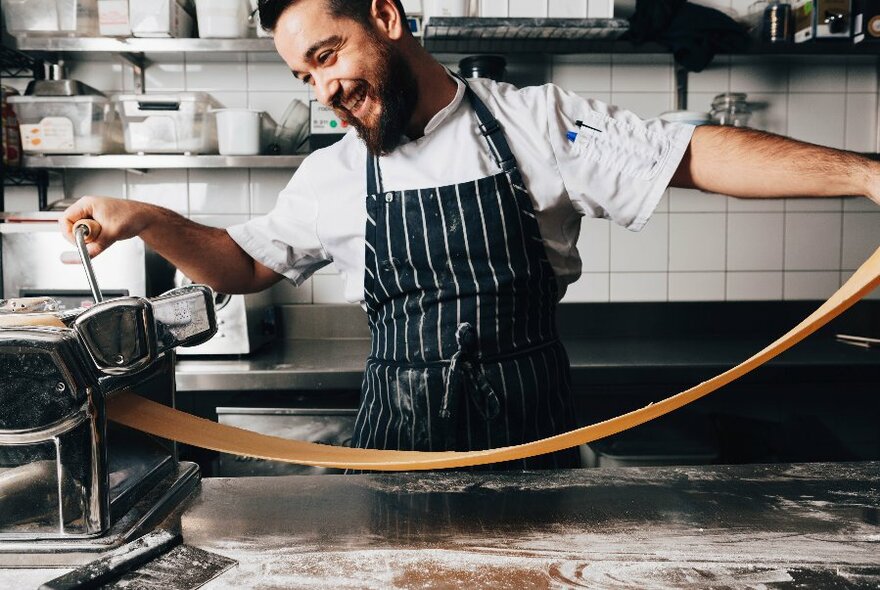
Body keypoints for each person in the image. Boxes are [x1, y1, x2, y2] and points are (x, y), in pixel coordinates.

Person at [62, 0, 880, 469]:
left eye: (328, 55)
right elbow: (243, 265)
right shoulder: (334, 173)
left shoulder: (535, 123)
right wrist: (150, 221)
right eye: (304, 76)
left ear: (385, 16)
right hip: (397, 450)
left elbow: (687, 152)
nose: (324, 90)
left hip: (538, 438)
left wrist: (866, 174)